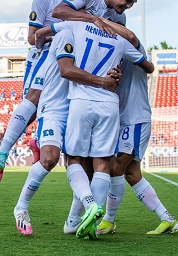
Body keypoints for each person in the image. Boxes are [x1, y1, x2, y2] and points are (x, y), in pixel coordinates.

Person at [36, 18, 154, 239]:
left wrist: (39, 39)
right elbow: (148, 66)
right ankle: (91, 223)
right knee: (102, 164)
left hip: (81, 99)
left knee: (74, 159)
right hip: (110, 103)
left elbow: (44, 31)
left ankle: (89, 206)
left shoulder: (78, 25)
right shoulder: (120, 38)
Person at [0, 0, 89, 182]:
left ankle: (38, 141)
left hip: (68, 59)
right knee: (33, 100)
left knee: (59, 107)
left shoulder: (83, 1)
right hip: (44, 57)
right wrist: (59, 34)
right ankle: (1, 152)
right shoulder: (44, 0)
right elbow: (32, 37)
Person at [12, 30, 121, 236]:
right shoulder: (65, 32)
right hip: (54, 108)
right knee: (50, 159)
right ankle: (21, 206)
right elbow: (61, 65)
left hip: (78, 106)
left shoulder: (92, 39)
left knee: (84, 166)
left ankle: (72, 222)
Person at [97, 44, 178, 235]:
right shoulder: (113, 56)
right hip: (125, 119)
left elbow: (131, 38)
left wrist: (101, 22)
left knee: (116, 167)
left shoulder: (131, 47)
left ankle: (108, 220)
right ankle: (167, 219)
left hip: (135, 119)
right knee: (132, 174)